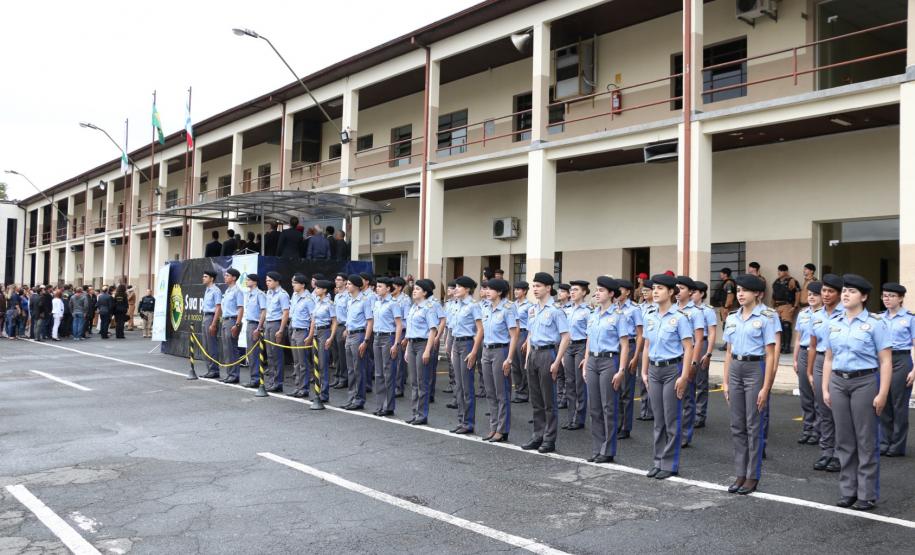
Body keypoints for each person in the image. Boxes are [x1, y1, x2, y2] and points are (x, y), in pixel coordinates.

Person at [823, 274, 892, 511]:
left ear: (863, 297)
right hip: (838, 383)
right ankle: (848, 491)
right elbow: (829, 358)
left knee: (865, 439)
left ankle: (866, 494)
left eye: (851, 292)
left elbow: (885, 360)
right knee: (844, 440)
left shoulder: (875, 323)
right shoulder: (834, 322)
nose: (845, 295)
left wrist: (882, 392)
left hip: (864, 382)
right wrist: (825, 388)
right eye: (844, 291)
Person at [722, 274, 778, 495]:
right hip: (736, 368)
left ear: (757, 293)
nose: (740, 294)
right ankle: (740, 473)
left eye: (745, 290)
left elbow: (771, 354)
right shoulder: (733, 317)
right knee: (737, 425)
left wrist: (766, 387)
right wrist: (725, 381)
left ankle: (752, 475)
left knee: (753, 424)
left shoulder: (766, 317)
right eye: (738, 291)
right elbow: (728, 351)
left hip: (755, 368)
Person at [641, 274, 694, 480]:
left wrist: (684, 376)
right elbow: (646, 345)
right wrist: (644, 372)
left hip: (672, 369)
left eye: (660, 288)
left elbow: (688, 348)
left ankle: (670, 463)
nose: (655, 291)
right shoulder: (650, 315)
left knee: (671, 419)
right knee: (658, 419)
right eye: (654, 288)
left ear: (671, 292)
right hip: (654, 370)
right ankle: (658, 461)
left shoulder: (680, 317)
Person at [582, 276, 631, 463]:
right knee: (594, 408)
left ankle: (608, 450)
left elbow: (624, 345)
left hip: (609, 361)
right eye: (597, 290)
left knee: (608, 407)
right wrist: (585, 363)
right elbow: (588, 341)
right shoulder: (593, 315)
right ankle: (597, 448)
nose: (597, 293)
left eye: (601, 290)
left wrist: (621, 370)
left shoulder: (619, 316)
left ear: (611, 294)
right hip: (593, 361)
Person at [521, 272, 570, 454]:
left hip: (548, 353)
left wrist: (557, 361)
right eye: (533, 286)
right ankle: (538, 435)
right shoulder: (532, 309)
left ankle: (549, 439)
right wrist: (527, 359)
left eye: (538, 286)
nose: (535, 289)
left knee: (549, 400)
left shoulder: (556, 310)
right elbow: (531, 335)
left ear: (548, 288)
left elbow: (566, 337)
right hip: (534, 354)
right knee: (536, 400)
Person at [808, 274, 845, 473]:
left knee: (837, 410)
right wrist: (810, 371)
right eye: (824, 290)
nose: (826, 294)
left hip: (839, 361)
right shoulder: (816, 315)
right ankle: (826, 452)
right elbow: (812, 346)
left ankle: (840, 454)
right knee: (823, 409)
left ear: (839, 294)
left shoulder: (846, 313)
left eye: (831, 291)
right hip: (821, 361)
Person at [479, 278, 519, 443]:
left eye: (491, 289)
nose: (487, 292)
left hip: (500, 350)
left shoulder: (508, 308)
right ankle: (493, 426)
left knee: (502, 392)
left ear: (500, 292)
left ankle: (502, 430)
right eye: (486, 289)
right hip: (487, 350)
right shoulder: (487, 307)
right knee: (490, 392)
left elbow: (514, 335)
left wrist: (509, 359)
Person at [878, 282, 915, 457]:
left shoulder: (910, 318)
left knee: (899, 403)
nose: (887, 299)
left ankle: (897, 445)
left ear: (900, 298)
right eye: (885, 295)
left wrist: (914, 371)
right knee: (883, 402)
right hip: (883, 360)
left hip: (901, 359)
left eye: (891, 296)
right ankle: (885, 441)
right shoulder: (879, 318)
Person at [674, 276, 706, 449]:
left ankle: (685, 435)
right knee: (672, 399)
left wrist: (694, 363)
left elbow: (699, 340)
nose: (678, 291)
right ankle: (673, 434)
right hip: (671, 359)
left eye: (682, 288)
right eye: (676, 288)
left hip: (686, 358)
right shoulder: (671, 309)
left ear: (691, 292)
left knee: (686, 398)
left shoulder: (695, 312)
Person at [449, 276, 483, 435]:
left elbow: (480, 330)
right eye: (455, 286)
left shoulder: (473, 306)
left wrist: (474, 351)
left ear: (467, 289)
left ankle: (468, 422)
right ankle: (461, 419)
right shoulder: (456, 305)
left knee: (467, 386)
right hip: (456, 343)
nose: (455, 289)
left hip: (468, 344)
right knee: (459, 384)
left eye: (458, 287)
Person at [404, 279, 440, 425]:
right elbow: (410, 331)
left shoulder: (428, 308)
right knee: (413, 382)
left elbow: (433, 330)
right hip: (412, 344)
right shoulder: (413, 307)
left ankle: (422, 414)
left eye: (418, 289)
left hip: (423, 344)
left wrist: (427, 350)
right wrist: (407, 349)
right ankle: (415, 412)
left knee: (422, 382)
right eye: (414, 288)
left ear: (425, 292)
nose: (414, 290)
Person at [793, 281, 823, 446]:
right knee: (805, 394)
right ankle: (808, 428)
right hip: (804, 353)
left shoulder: (826, 315)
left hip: (819, 354)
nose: (811, 297)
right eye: (809, 294)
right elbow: (798, 339)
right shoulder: (803, 314)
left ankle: (819, 431)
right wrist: (795, 359)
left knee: (818, 394)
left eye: (815, 295)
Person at [562, 280, 592, 431]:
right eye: (571, 290)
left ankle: (579, 419)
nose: (572, 292)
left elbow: (590, 336)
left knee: (580, 383)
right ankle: (570, 417)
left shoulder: (588, 311)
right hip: (568, 347)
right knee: (569, 382)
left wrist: (587, 357)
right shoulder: (567, 309)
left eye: (576, 290)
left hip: (581, 346)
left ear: (584, 292)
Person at [616, 279, 644, 439]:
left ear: (627, 292)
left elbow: (640, 334)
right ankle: (617, 423)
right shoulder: (613, 308)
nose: (618, 292)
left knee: (626, 389)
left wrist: (635, 356)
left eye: (621, 289)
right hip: (616, 347)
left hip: (630, 346)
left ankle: (625, 427)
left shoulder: (634, 309)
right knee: (616, 388)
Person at [371, 277, 403, 416]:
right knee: (378, 373)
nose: (377, 288)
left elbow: (399, 325)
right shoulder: (377, 303)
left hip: (388, 337)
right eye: (376, 286)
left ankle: (388, 406)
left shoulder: (393, 303)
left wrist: (396, 343)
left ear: (388, 288)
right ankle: (379, 405)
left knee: (388, 373)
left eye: (380, 286)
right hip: (377, 337)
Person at [342, 274, 373, 410]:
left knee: (358, 368)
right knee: (350, 369)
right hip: (350, 335)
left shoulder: (364, 300)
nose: (347, 286)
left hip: (359, 335)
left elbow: (369, 321)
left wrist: (366, 340)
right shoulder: (350, 300)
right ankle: (351, 397)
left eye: (349, 284)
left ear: (355, 285)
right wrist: (347, 329)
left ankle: (359, 399)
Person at [691, 281, 717, 429]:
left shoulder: (707, 310)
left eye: (695, 292)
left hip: (702, 344)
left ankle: (700, 415)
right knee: (688, 380)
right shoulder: (686, 309)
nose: (692, 294)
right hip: (689, 344)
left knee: (701, 382)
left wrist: (708, 353)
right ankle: (689, 412)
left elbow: (712, 332)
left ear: (701, 294)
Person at [289, 273, 316, 397]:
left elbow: (313, 319)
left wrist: (310, 336)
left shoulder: (309, 299)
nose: (293, 285)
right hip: (294, 330)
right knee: (296, 362)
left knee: (303, 362)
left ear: (302, 285)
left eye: (295, 283)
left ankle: (304, 388)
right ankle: (298, 386)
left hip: (303, 331)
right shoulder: (294, 296)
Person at [263, 271, 290, 393]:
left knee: (277, 354)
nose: (267, 283)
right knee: (269, 354)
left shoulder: (282, 294)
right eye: (267, 280)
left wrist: (281, 330)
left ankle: (278, 382)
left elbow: (285, 313)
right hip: (268, 323)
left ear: (276, 281)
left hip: (276, 323)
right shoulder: (268, 293)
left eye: (269, 280)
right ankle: (272, 380)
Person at [311, 279, 336, 408]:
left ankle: (324, 393)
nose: (316, 290)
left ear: (324, 290)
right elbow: (314, 320)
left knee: (323, 363)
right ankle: (317, 391)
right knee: (316, 362)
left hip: (325, 331)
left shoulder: (329, 304)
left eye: (318, 288)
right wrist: (310, 335)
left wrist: (331, 337)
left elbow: (334, 321)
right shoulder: (316, 302)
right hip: (316, 332)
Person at [242, 274, 268, 388]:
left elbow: (263, 311)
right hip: (249, 323)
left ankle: (256, 378)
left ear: (255, 282)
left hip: (255, 324)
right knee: (250, 353)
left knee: (254, 353)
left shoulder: (260, 294)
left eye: (249, 280)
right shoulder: (248, 294)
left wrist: (259, 328)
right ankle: (253, 377)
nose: (246, 281)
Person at [220, 270, 245, 384]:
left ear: (234, 278)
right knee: (226, 349)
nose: (225, 277)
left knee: (232, 349)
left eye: (227, 275)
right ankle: (229, 373)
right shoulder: (228, 291)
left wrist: (237, 324)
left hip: (232, 320)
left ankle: (234, 375)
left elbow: (240, 308)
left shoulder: (237, 291)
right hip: (225, 320)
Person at [510, 282, 531, 403]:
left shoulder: (529, 306)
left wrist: (527, 341)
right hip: (514, 334)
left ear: (524, 291)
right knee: (514, 365)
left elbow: (531, 325)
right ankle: (518, 390)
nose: (516, 292)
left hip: (524, 333)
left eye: (518, 290)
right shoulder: (513, 305)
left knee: (523, 364)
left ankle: (524, 392)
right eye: (515, 289)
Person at [771, 265, 800, 354]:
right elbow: (774, 294)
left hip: (787, 305)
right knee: (778, 327)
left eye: (781, 271)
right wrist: (772, 306)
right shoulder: (776, 281)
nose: (779, 272)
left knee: (786, 326)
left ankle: (787, 347)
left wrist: (795, 306)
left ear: (786, 272)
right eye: (778, 270)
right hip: (777, 306)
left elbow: (798, 293)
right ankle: (781, 346)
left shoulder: (792, 281)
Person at [200, 271, 223, 378]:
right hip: (205, 316)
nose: (203, 278)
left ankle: (214, 370)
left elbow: (218, 307)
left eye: (205, 277)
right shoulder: (207, 290)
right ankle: (209, 369)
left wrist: (213, 323)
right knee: (206, 345)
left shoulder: (215, 290)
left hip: (211, 317)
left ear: (212, 279)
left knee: (211, 344)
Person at [331, 273, 350, 389]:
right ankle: (337, 376)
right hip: (336, 326)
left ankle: (344, 378)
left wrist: (347, 328)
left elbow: (350, 314)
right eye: (336, 279)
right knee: (336, 354)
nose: (337, 281)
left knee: (343, 355)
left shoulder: (348, 296)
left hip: (343, 326)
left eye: (339, 280)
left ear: (345, 282)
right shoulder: (337, 296)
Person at [713, 267, 737, 336]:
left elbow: (730, 295)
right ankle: (726, 344)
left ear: (725, 274)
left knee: (727, 325)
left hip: (727, 307)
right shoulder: (726, 283)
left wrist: (726, 307)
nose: (720, 275)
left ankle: (727, 344)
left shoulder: (728, 283)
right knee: (725, 324)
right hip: (724, 306)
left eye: (721, 273)